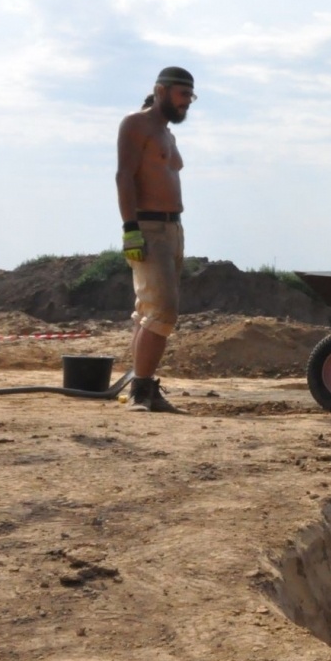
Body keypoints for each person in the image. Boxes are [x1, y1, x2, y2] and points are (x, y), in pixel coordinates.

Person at [114, 66, 196, 413]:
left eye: (190, 98)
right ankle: (140, 392)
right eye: (181, 95)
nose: (187, 103)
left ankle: (141, 386)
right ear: (161, 91)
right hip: (147, 228)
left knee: (147, 311)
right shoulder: (136, 124)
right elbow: (124, 176)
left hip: (172, 229)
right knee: (163, 310)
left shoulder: (165, 133)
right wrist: (130, 227)